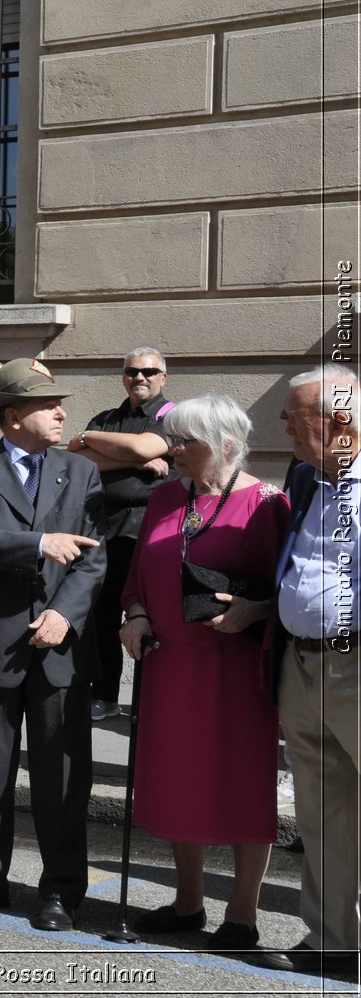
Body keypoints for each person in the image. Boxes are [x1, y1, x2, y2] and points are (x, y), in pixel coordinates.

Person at [0, 357, 105, 931]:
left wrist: (64, 613)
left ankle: (60, 890)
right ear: (12, 418)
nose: (60, 414)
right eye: (46, 405)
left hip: (58, 646)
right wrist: (37, 544)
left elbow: (94, 556)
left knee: (61, 777)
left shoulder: (79, 473)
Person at [116, 395, 286, 950]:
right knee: (179, 778)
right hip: (170, 665)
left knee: (241, 782)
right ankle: (188, 903)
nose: (175, 450)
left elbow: (287, 592)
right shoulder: (166, 494)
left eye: (187, 442)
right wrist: (136, 615)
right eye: (175, 439)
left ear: (227, 446)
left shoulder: (267, 503)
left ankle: (242, 914)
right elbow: (139, 576)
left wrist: (253, 610)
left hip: (237, 671)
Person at [256, 364, 361, 976]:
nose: (282, 425)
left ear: (338, 423)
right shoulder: (303, 475)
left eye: (294, 418)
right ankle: (331, 942)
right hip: (303, 665)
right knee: (323, 813)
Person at [69, 347, 175, 721]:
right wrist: (137, 461)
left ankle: (150, 703)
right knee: (100, 619)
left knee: (148, 618)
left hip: (148, 536)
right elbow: (76, 456)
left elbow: (145, 444)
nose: (139, 378)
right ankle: (106, 696)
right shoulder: (107, 418)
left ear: (163, 377)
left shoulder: (171, 416)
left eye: (149, 371)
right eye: (132, 371)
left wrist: (122, 449)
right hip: (102, 531)